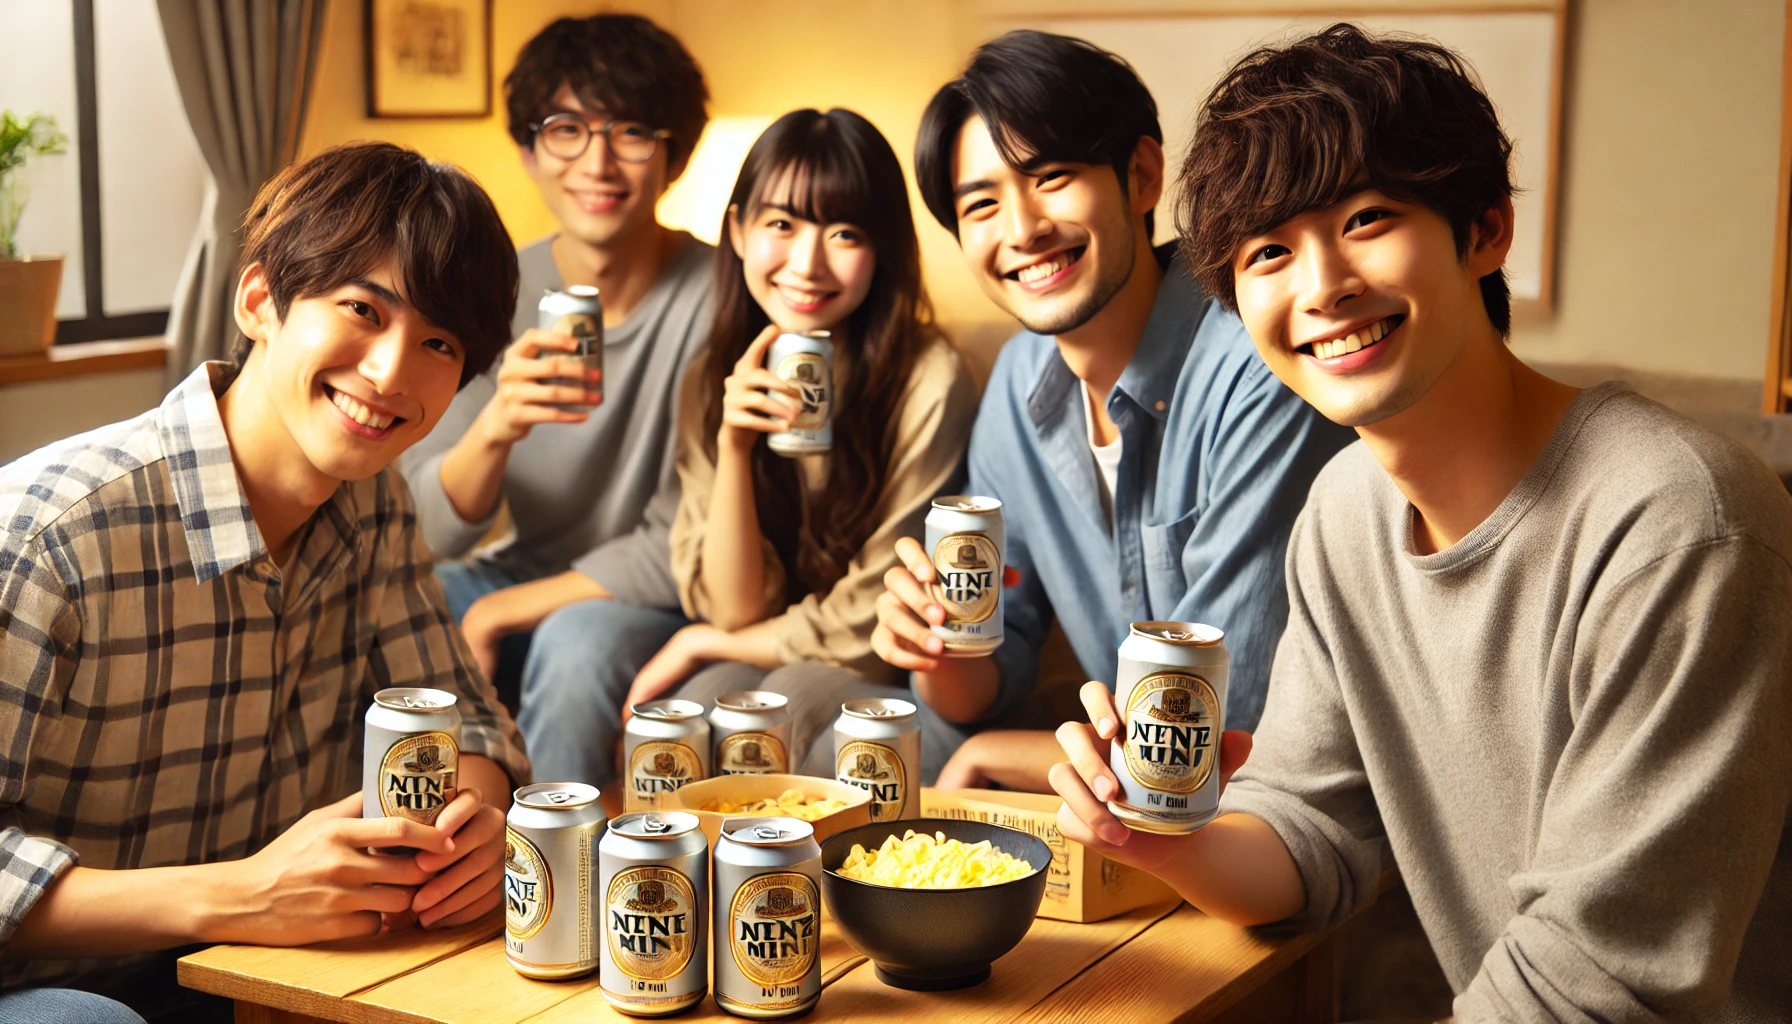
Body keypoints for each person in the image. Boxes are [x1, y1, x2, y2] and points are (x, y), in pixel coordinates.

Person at [1053, 24, 1791, 1020]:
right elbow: (1308, 831)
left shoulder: (1678, 521)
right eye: (1270, 251)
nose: (1321, 288)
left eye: (1365, 220)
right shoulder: (1345, 511)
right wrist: (1148, 830)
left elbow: (1598, 982)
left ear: (1484, 230)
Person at [0, 142, 531, 1024]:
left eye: (438, 342)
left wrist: (473, 812)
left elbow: (465, 717)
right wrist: (241, 895)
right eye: (363, 308)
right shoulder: (47, 534)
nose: (392, 372)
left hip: (234, 970)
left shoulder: (373, 503)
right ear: (259, 302)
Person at [872, 30, 1354, 788]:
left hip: (1280, 794)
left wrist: (993, 755)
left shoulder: (1257, 363)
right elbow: (991, 678)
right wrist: (937, 644)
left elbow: (1226, 728)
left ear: (1142, 174)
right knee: (888, 732)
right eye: (981, 205)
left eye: (1053, 176)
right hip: (1129, 769)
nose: (1022, 228)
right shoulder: (1017, 382)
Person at [397, 14, 716, 786]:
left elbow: (682, 544)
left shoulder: (723, 298)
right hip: (524, 567)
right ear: (529, 148)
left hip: (658, 593)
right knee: (393, 601)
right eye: (567, 129)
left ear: (672, 155)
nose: (597, 162)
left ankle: (556, 889)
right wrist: (497, 427)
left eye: (632, 131)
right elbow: (423, 524)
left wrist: (500, 613)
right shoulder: (493, 288)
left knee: (577, 642)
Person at [620, 108, 977, 776]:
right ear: (737, 231)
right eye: (781, 225)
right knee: (688, 721)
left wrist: (704, 642)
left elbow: (872, 620)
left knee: (774, 713)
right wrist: (734, 449)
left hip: (893, 672)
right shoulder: (712, 377)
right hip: (771, 648)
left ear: (884, 252)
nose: (807, 263)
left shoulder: (928, 378)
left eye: (844, 233)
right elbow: (734, 607)